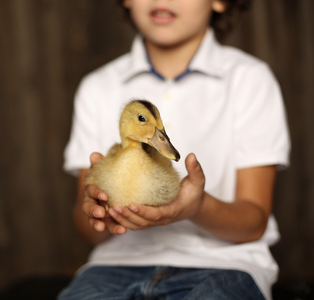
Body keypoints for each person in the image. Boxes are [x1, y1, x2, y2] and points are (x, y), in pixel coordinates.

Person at [60, 0, 290, 299]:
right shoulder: (97, 87)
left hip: (224, 264)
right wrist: (97, 209)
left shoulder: (249, 80)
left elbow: (254, 222)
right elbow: (87, 226)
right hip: (115, 264)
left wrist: (198, 207)